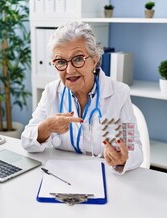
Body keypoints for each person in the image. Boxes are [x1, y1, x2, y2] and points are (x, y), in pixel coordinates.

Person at [21, 21, 143, 174]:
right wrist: (47, 127)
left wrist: (123, 158)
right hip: (63, 177)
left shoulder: (119, 94)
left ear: (95, 60)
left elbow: (135, 149)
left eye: (78, 59)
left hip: (104, 177)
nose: (70, 70)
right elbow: (26, 141)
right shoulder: (51, 92)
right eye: (61, 62)